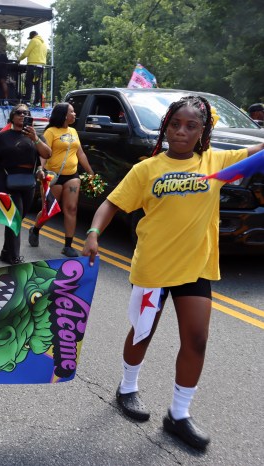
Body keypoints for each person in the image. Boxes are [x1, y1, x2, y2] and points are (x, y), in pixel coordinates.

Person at [82, 95, 264, 450]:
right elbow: (111, 203)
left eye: (191, 126)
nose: (181, 132)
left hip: (195, 268)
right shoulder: (146, 169)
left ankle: (179, 414)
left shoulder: (218, 161)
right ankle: (128, 387)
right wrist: (92, 233)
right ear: (165, 128)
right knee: (142, 332)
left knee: (196, 340)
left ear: (202, 132)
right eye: (175, 125)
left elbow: (259, 151)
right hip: (153, 267)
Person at [0, 104, 50, 263]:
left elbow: (47, 154)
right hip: (5, 181)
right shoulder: (3, 137)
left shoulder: (35, 136)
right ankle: (14, 257)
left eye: (26, 113)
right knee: (14, 218)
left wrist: (35, 139)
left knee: (16, 219)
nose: (22, 115)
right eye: (19, 112)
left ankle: (5, 251)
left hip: (27, 182)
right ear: (12, 116)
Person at [29, 103, 95, 257]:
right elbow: (43, 153)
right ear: (64, 114)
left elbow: (81, 153)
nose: (75, 114)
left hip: (72, 175)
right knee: (49, 210)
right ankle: (36, 229)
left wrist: (90, 171)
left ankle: (68, 245)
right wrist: (41, 169)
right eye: (72, 111)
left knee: (71, 209)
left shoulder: (73, 131)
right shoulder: (51, 131)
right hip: (54, 176)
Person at [18, 31, 48, 107]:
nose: (30, 39)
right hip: (40, 66)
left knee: (28, 83)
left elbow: (26, 53)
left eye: (30, 37)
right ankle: (37, 102)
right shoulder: (44, 43)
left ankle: (27, 101)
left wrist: (18, 60)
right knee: (37, 84)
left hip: (32, 65)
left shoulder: (33, 40)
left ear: (32, 36)